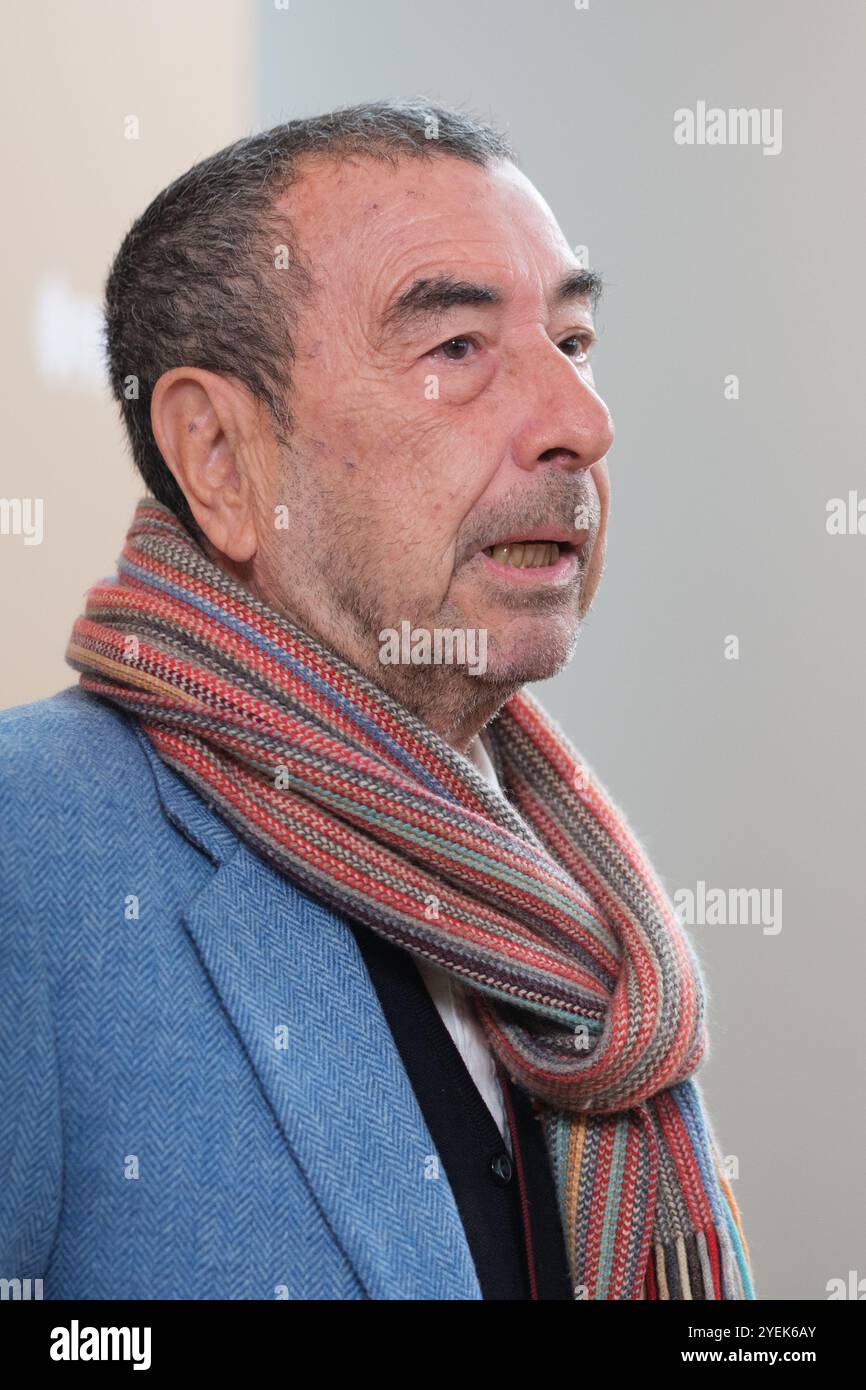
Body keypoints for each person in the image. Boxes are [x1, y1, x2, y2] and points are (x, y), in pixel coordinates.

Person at [0, 99, 754, 1300]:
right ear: (218, 457)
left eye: (569, 341)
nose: (580, 422)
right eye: (454, 348)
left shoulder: (576, 900)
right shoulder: (27, 849)